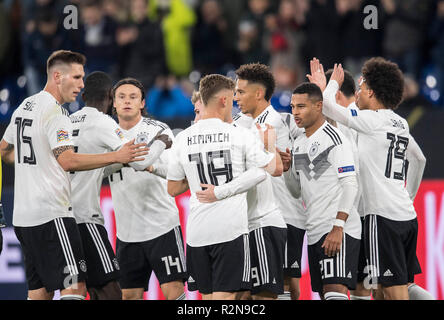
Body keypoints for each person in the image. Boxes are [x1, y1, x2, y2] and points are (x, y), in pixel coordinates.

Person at [0, 50, 147, 300]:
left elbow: (4, 150)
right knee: (75, 287)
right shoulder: (57, 114)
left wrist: (35, 164)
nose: (82, 85)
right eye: (77, 77)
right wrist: (116, 156)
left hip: (23, 219)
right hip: (53, 215)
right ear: (58, 76)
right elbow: (68, 161)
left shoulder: (25, 105)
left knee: (39, 293)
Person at [167, 74, 282, 300]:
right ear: (223, 100)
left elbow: (172, 189)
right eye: (232, 98)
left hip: (197, 233)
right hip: (229, 231)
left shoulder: (182, 137)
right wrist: (269, 143)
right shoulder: (238, 134)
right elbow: (271, 168)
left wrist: (195, 180)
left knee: (208, 300)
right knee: (228, 300)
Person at [317, 58, 422, 300]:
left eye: (362, 88)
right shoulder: (401, 123)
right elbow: (419, 160)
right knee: (388, 288)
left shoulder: (372, 121)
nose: (357, 93)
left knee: (393, 292)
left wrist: (332, 83)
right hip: (406, 215)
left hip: (381, 216)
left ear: (372, 92)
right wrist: (409, 196)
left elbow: (328, 108)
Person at [108, 77, 187, 300]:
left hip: (162, 227)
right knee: (129, 295)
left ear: (143, 103)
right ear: (113, 103)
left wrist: (150, 166)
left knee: (173, 291)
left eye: (133, 97)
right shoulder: (106, 135)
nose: (127, 101)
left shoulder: (158, 130)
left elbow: (174, 170)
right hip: (127, 232)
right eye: (121, 97)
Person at [234, 63, 306, 300]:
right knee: (260, 288)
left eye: (241, 92)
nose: (236, 97)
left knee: (283, 286)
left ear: (258, 93)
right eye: (235, 92)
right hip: (259, 218)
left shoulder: (276, 123)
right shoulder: (242, 124)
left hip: (283, 216)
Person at [284, 82, 361, 300]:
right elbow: (296, 191)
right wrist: (289, 170)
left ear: (319, 106)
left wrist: (338, 228)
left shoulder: (334, 138)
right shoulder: (298, 143)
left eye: (301, 106)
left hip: (337, 230)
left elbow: (350, 184)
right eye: (293, 107)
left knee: (334, 293)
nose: (295, 113)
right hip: (315, 231)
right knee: (326, 295)